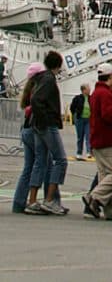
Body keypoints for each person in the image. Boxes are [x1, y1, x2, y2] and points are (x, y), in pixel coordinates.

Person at [83, 66, 112, 219]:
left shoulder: (97, 93)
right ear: (111, 77)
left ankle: (111, 210)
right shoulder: (106, 94)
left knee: (106, 175)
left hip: (97, 140)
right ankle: (94, 197)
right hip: (108, 140)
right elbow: (109, 115)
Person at [29, 49, 69, 215]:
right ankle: (50, 200)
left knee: (40, 161)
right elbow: (37, 100)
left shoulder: (40, 78)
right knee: (61, 160)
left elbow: (35, 99)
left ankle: (32, 200)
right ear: (58, 66)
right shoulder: (49, 80)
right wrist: (45, 119)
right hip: (47, 124)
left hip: (37, 124)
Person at [13, 63, 46, 213]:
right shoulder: (37, 90)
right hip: (34, 129)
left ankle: (18, 202)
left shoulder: (28, 90)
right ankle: (34, 200)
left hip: (25, 129)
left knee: (28, 167)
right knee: (40, 164)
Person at [70, 83, 91, 159]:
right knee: (80, 137)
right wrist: (75, 115)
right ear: (83, 90)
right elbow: (72, 107)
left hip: (88, 119)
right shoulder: (77, 98)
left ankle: (89, 152)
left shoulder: (90, 98)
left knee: (88, 135)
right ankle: (79, 152)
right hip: (80, 119)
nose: (89, 90)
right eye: (88, 88)